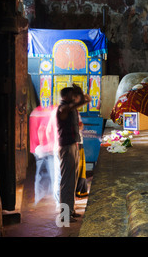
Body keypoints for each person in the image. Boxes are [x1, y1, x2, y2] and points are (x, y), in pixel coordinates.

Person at [56, 84, 91, 222]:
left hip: (73, 145)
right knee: (67, 181)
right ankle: (64, 215)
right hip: (66, 147)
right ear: (65, 96)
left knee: (72, 180)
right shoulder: (63, 108)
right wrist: (80, 94)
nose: (74, 98)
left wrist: (80, 94)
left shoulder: (71, 109)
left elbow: (85, 99)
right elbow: (83, 101)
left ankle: (70, 210)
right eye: (72, 95)